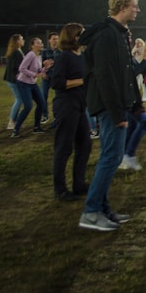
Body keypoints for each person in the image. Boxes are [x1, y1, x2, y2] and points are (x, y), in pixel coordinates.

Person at [79, 0, 146, 232]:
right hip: (110, 108)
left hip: (120, 106)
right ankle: (91, 212)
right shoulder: (106, 36)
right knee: (110, 159)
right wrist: (116, 112)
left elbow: (125, 75)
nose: (138, 9)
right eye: (134, 5)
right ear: (122, 6)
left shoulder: (120, 34)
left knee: (110, 158)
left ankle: (103, 209)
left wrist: (134, 103)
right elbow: (104, 77)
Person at [49, 23, 91, 201]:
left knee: (85, 145)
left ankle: (79, 184)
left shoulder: (81, 56)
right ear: (73, 37)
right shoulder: (64, 57)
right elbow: (57, 83)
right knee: (64, 147)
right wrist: (82, 80)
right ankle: (60, 190)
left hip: (80, 105)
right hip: (66, 106)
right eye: (80, 34)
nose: (83, 37)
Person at [12, 37, 54, 138]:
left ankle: (37, 127)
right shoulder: (30, 54)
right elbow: (22, 68)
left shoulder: (38, 56)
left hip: (32, 83)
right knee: (28, 106)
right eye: (38, 43)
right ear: (32, 45)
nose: (41, 44)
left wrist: (46, 68)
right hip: (23, 83)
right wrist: (35, 74)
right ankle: (15, 130)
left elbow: (39, 71)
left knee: (41, 103)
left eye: (41, 43)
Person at [3, 34, 25, 131]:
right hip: (14, 80)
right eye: (21, 39)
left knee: (19, 99)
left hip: (11, 79)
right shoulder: (16, 52)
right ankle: (12, 122)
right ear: (17, 41)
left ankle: (14, 121)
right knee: (19, 99)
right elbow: (16, 67)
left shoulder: (15, 51)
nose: (23, 40)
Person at [40, 31, 61, 124]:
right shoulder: (45, 51)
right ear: (49, 40)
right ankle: (45, 115)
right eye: (54, 39)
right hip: (47, 77)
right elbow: (41, 65)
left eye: (57, 39)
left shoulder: (61, 51)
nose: (56, 41)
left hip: (57, 78)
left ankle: (57, 116)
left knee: (58, 98)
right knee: (43, 96)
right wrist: (43, 73)